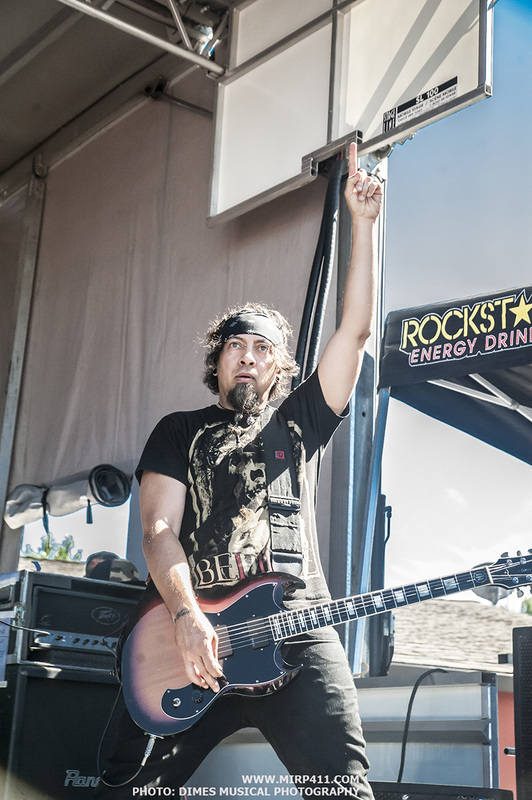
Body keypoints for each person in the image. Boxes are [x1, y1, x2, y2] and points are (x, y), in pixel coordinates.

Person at [95, 142, 382, 798]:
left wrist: (362, 226)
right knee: (131, 787)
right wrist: (185, 616)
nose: (248, 356)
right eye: (235, 346)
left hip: (297, 630)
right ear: (217, 362)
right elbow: (158, 531)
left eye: (262, 348)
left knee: (343, 790)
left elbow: (355, 333)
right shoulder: (179, 431)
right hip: (193, 635)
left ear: (280, 366)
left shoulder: (302, 419)